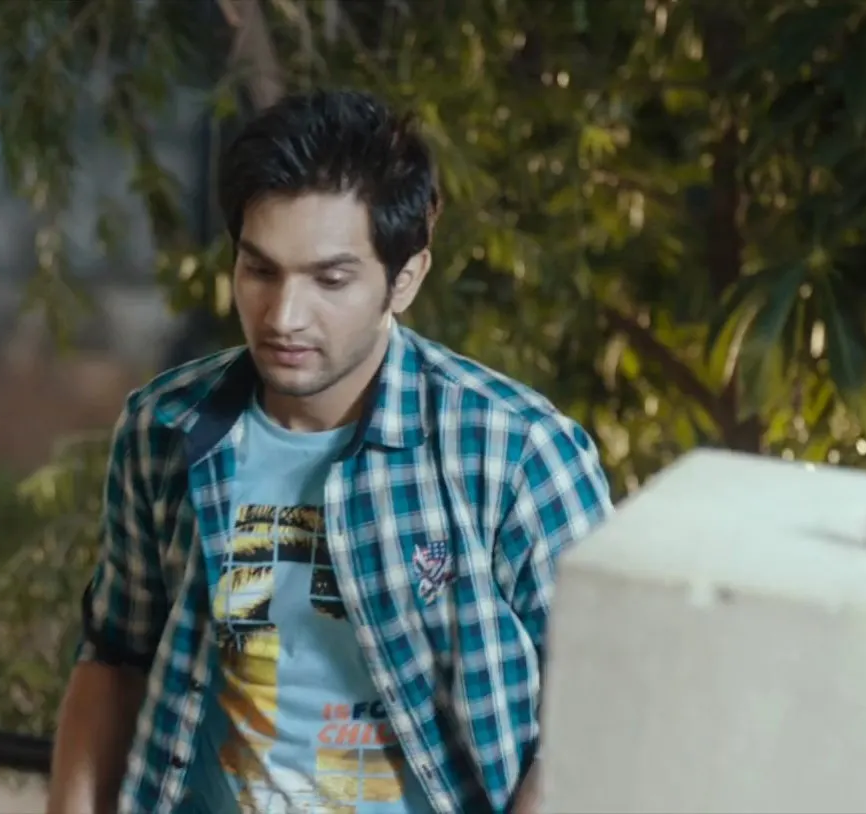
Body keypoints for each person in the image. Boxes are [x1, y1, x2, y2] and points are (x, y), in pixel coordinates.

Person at [45, 89, 613, 814]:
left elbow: (600, 713)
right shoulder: (165, 428)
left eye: (330, 280)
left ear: (404, 280)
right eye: (260, 270)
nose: (284, 316)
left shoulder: (514, 454)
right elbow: (114, 660)